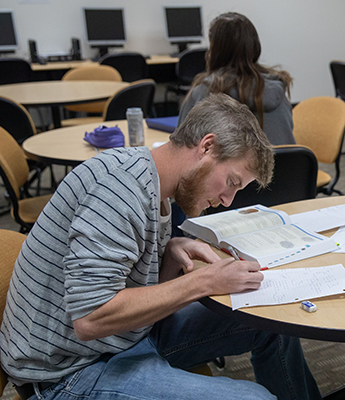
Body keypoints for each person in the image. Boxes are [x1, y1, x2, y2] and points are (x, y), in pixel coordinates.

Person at [0, 93, 322, 400]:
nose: (227, 200)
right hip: (65, 373)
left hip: (119, 342)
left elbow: (128, 291)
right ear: (207, 147)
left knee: (270, 323)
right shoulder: (119, 191)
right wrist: (200, 282)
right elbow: (90, 317)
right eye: (232, 183)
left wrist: (167, 259)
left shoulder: (158, 186)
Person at [178, 12, 295, 146]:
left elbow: (181, 150)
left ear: (215, 52)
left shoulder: (204, 93)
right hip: (285, 167)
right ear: (255, 47)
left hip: (235, 168)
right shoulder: (278, 91)